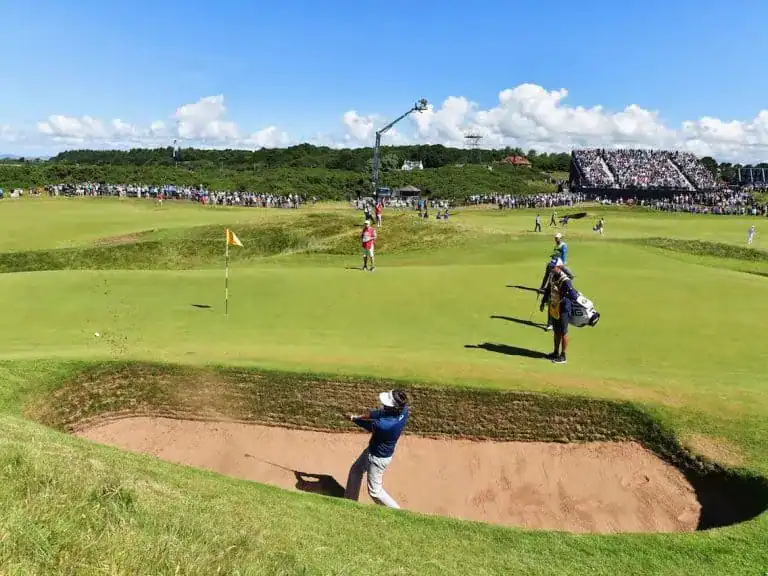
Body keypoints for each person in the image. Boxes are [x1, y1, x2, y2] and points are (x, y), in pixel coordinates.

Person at [345, 389, 409, 509]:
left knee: (375, 492)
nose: (384, 405)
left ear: (393, 408)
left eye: (387, 404)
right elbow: (379, 413)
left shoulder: (384, 425)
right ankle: (349, 502)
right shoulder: (404, 410)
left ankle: (398, 511)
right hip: (373, 451)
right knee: (355, 470)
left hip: (377, 458)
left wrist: (354, 419)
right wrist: (357, 416)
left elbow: (367, 425)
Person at [540, 258, 579, 364]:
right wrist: (543, 301)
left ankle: (563, 356)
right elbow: (548, 289)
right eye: (551, 267)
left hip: (564, 309)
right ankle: (555, 352)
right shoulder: (552, 275)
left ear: (559, 267)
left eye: (553, 267)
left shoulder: (565, 280)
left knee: (563, 332)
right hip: (554, 307)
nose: (551, 269)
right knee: (556, 331)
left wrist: (564, 293)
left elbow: (573, 296)